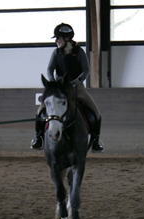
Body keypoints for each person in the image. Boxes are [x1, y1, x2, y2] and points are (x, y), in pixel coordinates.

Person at [30, 23, 104, 153]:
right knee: (40, 111)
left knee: (96, 113)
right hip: (59, 89)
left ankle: (96, 140)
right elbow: (49, 69)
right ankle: (38, 137)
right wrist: (52, 82)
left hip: (77, 89)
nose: (57, 41)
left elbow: (86, 70)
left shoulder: (79, 52)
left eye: (58, 38)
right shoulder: (56, 52)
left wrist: (76, 82)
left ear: (67, 38)